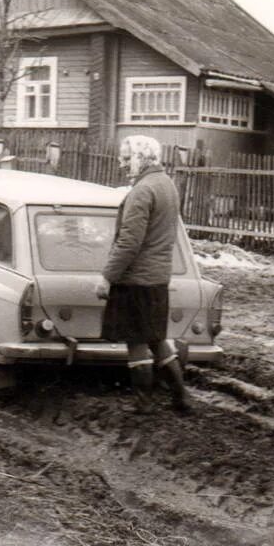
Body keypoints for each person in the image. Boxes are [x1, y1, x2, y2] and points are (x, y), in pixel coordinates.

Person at [95, 135, 193, 415]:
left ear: (142, 158)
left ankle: (143, 403)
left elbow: (129, 241)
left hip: (135, 279)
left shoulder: (142, 190)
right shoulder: (167, 184)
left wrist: (107, 276)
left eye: (127, 158)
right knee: (156, 337)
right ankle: (180, 397)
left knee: (136, 341)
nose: (122, 163)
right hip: (158, 277)